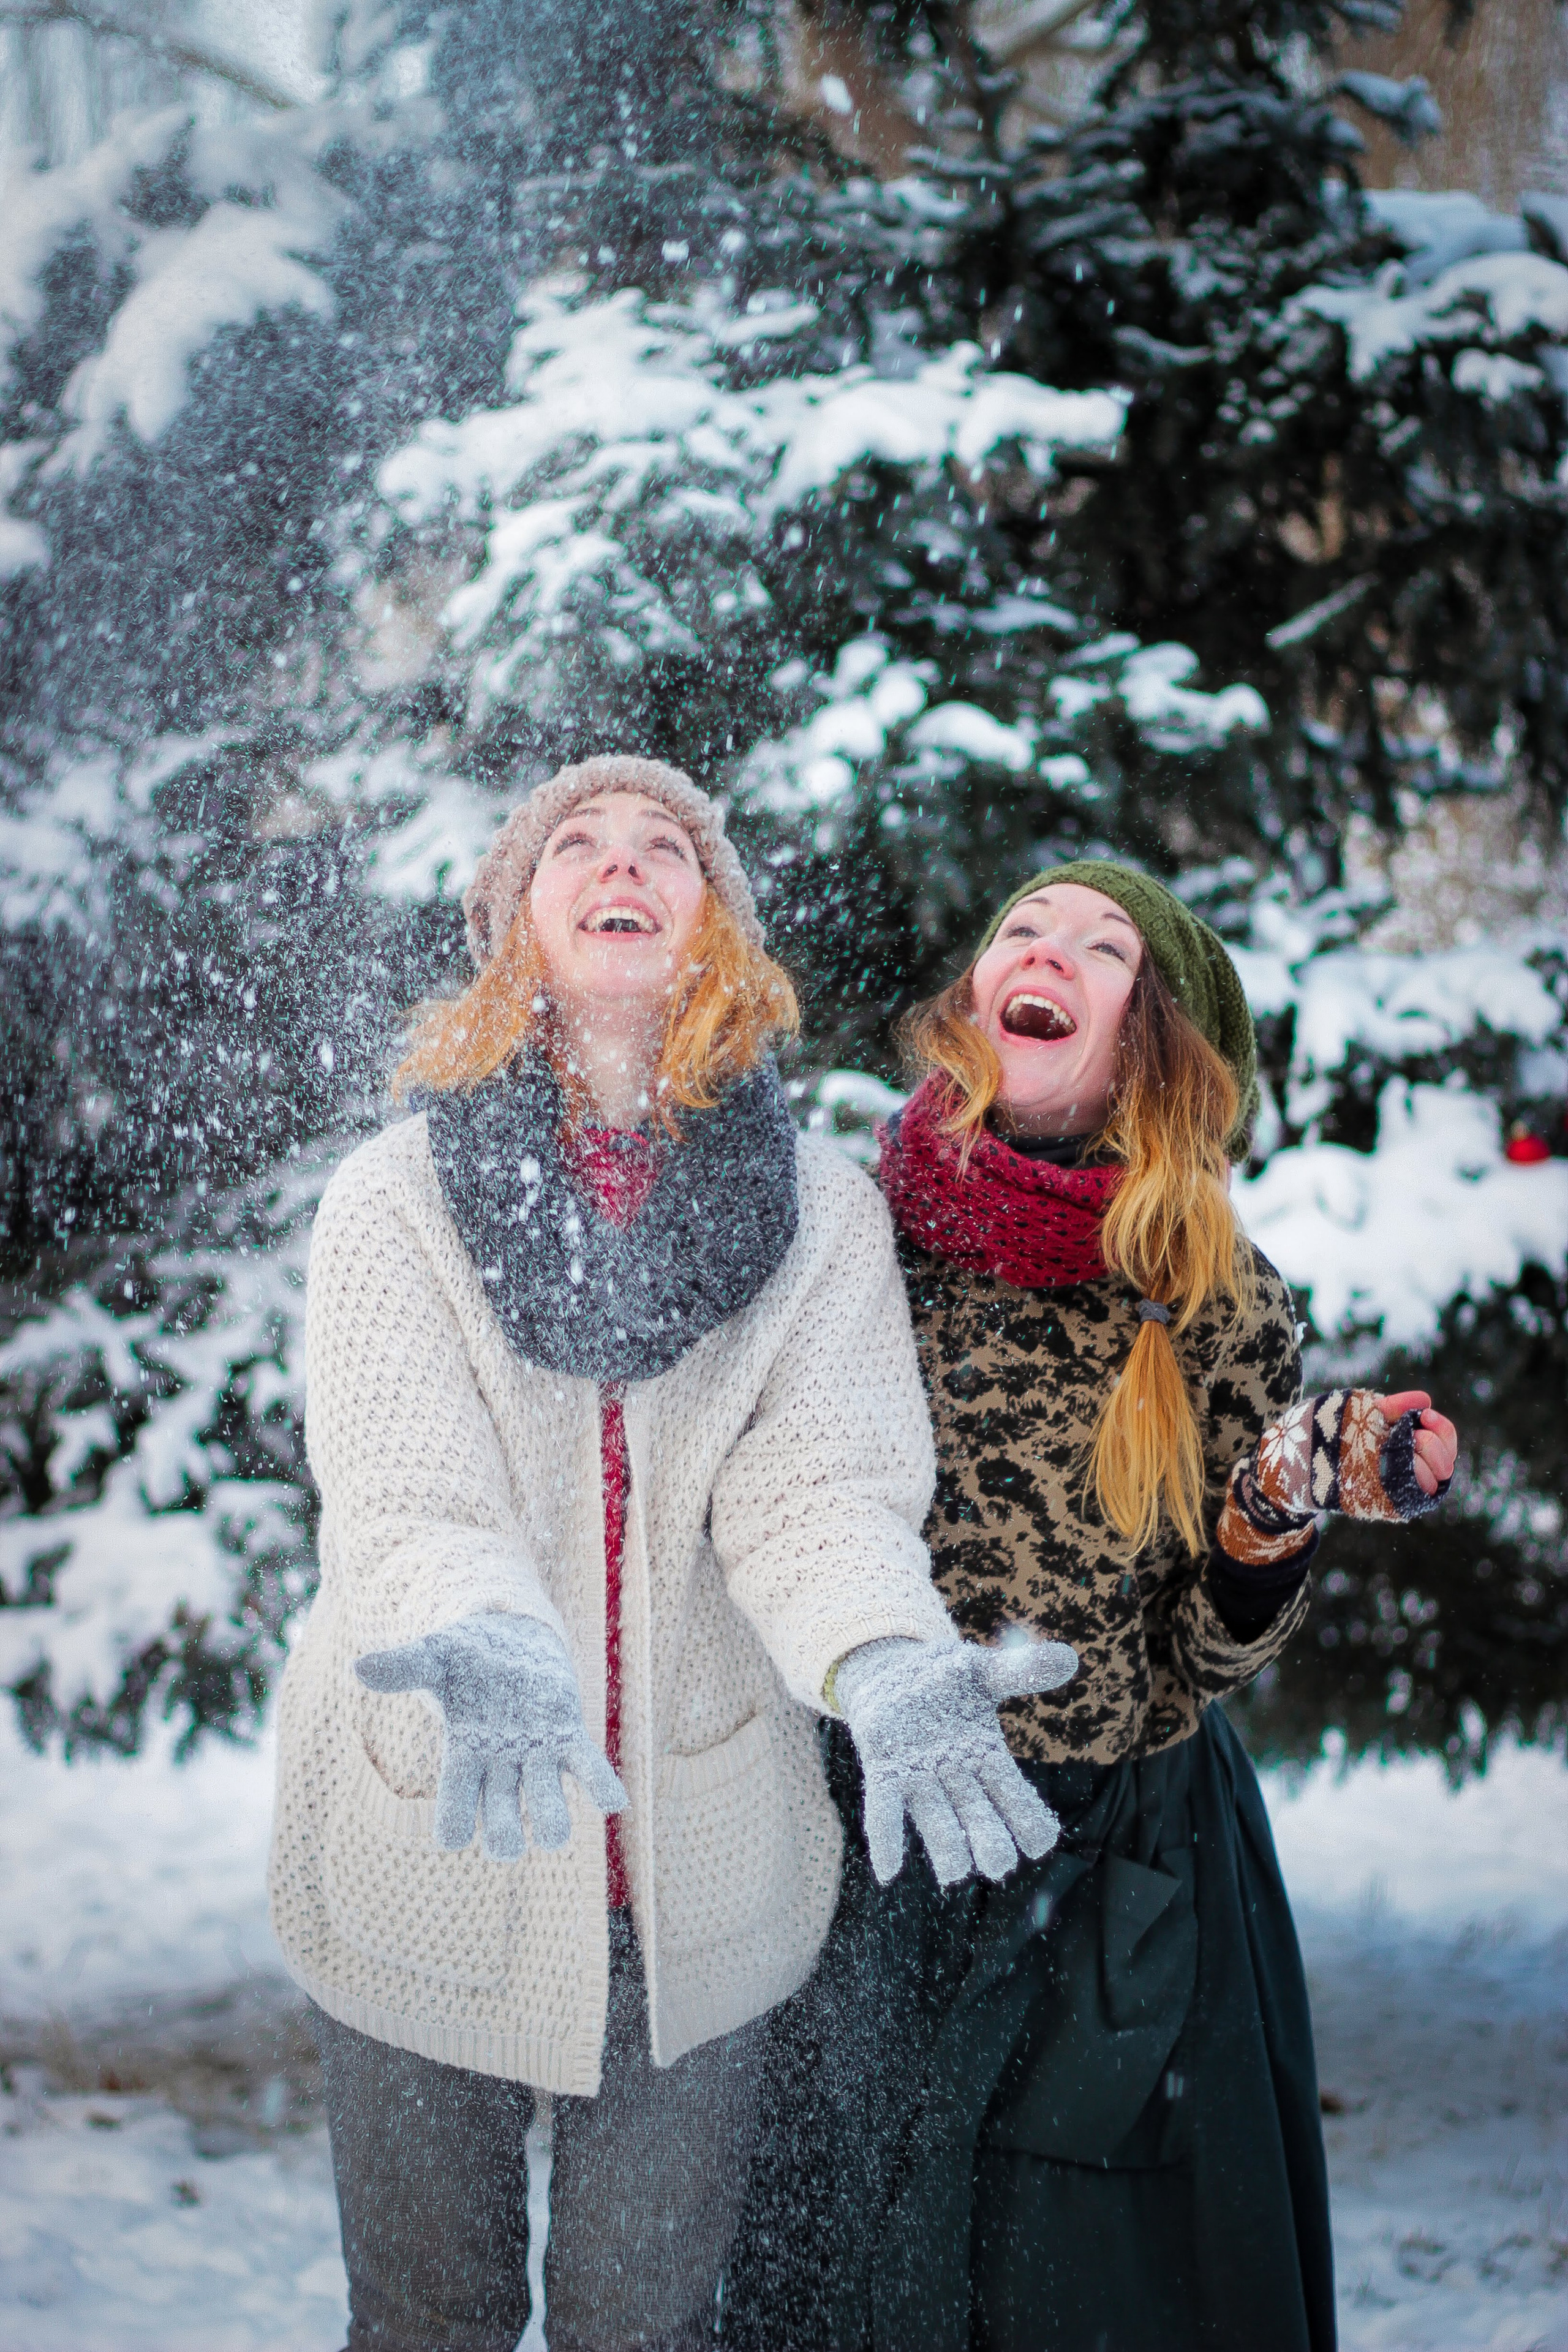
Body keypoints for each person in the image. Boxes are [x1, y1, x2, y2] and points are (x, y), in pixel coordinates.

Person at [267, 755, 1075, 2352]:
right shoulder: (395, 1201)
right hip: (440, 1829)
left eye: (667, 846)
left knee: (640, 2329)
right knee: (429, 2319)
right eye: (578, 842)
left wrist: (886, 1654)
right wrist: (481, 1624)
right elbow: (408, 1491)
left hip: (699, 1881)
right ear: (517, 922)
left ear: (716, 927)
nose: (622, 860)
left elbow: (818, 1491)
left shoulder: (817, 1214)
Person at [722, 860, 1457, 2352]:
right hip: (857, 1826)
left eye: (1098, 945)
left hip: (1109, 1858)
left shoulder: (1218, 1298)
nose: (1041, 953)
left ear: (1149, 1034)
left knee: (1068, 2293)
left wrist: (1275, 1507)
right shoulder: (848, 1235)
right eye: (1018, 930)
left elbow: (1201, 1650)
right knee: (825, 2272)